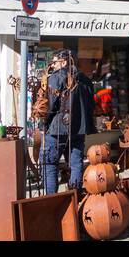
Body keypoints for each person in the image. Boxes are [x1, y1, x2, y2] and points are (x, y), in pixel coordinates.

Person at [42, 51, 95, 193]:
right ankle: (75, 199)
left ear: (64, 62)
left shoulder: (56, 77)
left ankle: (51, 202)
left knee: (49, 164)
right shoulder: (86, 80)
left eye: (54, 63)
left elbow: (50, 105)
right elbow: (91, 106)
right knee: (76, 163)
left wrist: (45, 122)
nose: (53, 66)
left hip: (57, 130)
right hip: (78, 130)